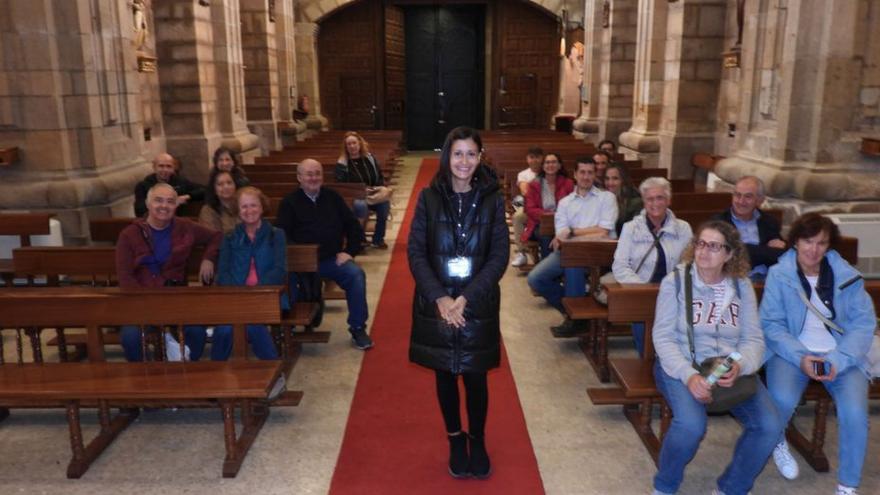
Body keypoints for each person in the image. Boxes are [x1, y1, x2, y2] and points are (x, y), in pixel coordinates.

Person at [652, 220, 781, 495]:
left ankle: (731, 488)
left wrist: (741, 364)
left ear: (729, 254)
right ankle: (664, 487)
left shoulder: (741, 286)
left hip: (726, 367)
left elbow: (753, 339)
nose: (703, 251)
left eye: (714, 246)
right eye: (700, 243)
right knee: (690, 426)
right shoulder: (675, 282)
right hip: (681, 365)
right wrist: (689, 376)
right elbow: (663, 339)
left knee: (769, 426)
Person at [408, 126, 508, 479]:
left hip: (476, 303)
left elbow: (498, 257)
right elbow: (416, 253)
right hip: (437, 302)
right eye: (458, 153)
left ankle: (477, 439)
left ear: (480, 157)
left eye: (471, 154)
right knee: (446, 374)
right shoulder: (428, 197)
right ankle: (454, 438)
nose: (464, 161)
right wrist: (440, 298)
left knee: (476, 376)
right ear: (447, 157)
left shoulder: (494, 198)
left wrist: (464, 299)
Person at [760, 213, 875, 495]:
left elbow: (863, 325)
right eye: (807, 241)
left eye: (821, 243)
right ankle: (778, 440)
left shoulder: (847, 276)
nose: (813, 250)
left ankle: (848, 486)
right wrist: (801, 357)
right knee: (782, 401)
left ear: (829, 245)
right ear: (795, 242)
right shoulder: (780, 275)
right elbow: (771, 325)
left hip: (841, 355)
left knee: (855, 413)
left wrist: (838, 359)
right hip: (792, 353)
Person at [275, 158, 373, 350]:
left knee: (355, 275)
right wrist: (300, 257)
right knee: (286, 283)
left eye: (317, 173)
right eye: (309, 174)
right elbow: (282, 236)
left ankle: (358, 327)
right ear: (299, 178)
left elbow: (353, 226)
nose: (314, 178)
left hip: (330, 259)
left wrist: (349, 251)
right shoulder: (289, 202)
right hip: (301, 264)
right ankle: (290, 324)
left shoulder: (332, 198)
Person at [116, 183, 221, 362]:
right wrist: (146, 304)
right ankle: (141, 377)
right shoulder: (129, 235)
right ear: (148, 204)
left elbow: (216, 237)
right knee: (131, 338)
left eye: (170, 202)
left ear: (176, 206)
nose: (164, 206)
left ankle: (185, 370)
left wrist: (208, 258)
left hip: (176, 297)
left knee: (196, 332)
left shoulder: (185, 226)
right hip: (141, 300)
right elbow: (125, 277)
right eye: (158, 201)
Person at [527, 159, 617, 338]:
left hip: (600, 253)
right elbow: (561, 233)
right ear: (575, 175)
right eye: (582, 172)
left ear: (594, 175)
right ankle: (575, 312)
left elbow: (604, 231)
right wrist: (571, 235)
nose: (586, 177)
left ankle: (575, 320)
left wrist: (573, 232)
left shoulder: (606, 198)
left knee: (573, 265)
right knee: (536, 278)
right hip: (570, 251)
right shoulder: (565, 202)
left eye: (590, 173)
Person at [612, 177, 692, 356]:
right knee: (644, 324)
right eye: (650, 199)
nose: (655, 203)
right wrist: (643, 288)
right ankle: (647, 362)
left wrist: (671, 287)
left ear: (669, 200)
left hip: (674, 293)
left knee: (674, 337)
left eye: (660, 198)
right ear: (644, 201)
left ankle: (669, 366)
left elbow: (689, 264)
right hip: (641, 291)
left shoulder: (683, 228)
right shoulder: (631, 228)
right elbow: (620, 266)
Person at [213, 187, 284, 361]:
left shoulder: (276, 234)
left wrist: (255, 293)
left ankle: (273, 371)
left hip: (267, 295)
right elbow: (223, 272)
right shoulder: (229, 236)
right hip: (235, 296)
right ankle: (214, 373)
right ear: (238, 210)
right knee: (224, 330)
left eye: (253, 205)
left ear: (261, 208)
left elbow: (279, 269)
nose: (249, 210)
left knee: (253, 325)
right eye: (244, 206)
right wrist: (240, 294)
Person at [713, 175, 785, 280]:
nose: (741, 201)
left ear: (760, 200)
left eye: (748, 197)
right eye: (737, 195)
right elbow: (731, 256)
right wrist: (765, 251)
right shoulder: (719, 222)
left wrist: (747, 250)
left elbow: (781, 255)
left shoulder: (769, 222)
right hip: (732, 280)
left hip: (766, 280)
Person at [335, 131, 391, 249]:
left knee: (384, 205)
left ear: (359, 143)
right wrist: (359, 191)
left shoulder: (369, 158)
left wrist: (378, 188)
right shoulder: (342, 163)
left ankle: (378, 239)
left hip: (372, 193)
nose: (352, 146)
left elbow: (379, 176)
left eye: (354, 143)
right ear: (345, 147)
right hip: (354, 197)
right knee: (361, 206)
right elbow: (341, 184)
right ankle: (360, 239)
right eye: (348, 144)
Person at [522, 152, 574, 259]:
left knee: (570, 235)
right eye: (547, 162)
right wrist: (549, 215)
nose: (550, 165)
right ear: (543, 166)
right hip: (539, 224)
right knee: (545, 235)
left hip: (564, 223)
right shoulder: (534, 184)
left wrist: (559, 217)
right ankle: (547, 267)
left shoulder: (568, 183)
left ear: (559, 165)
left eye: (554, 162)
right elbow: (530, 209)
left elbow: (573, 205)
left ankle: (566, 264)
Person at [134, 152, 205, 217]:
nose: (165, 170)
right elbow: (140, 209)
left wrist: (188, 196)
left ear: (173, 168)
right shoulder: (143, 186)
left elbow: (205, 190)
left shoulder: (181, 182)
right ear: (154, 167)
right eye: (161, 166)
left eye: (169, 166)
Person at [511, 147, 544, 267]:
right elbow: (525, 192)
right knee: (518, 216)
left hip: (547, 207)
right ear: (527, 159)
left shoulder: (547, 170)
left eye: (537, 157)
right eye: (532, 157)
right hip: (530, 207)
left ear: (542, 158)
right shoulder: (523, 174)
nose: (535, 160)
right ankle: (522, 253)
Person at [604, 163, 643, 237]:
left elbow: (634, 232)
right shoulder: (603, 198)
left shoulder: (636, 203)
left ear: (624, 180)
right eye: (607, 179)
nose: (610, 183)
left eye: (615, 178)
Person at [198, 168, 239, 234]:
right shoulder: (208, 210)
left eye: (229, 183)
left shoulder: (242, 205)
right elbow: (213, 237)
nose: (226, 187)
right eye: (220, 184)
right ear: (214, 189)